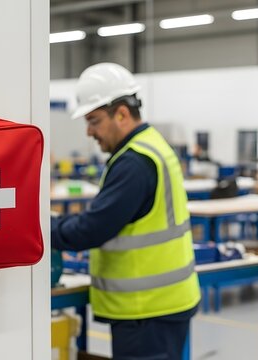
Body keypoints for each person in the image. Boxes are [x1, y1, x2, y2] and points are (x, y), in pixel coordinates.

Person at [50, 62, 200, 360]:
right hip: (162, 304)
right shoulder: (151, 146)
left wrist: (40, 228)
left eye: (93, 121)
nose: (89, 132)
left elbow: (92, 229)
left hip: (147, 310)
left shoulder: (133, 163)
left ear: (121, 114)